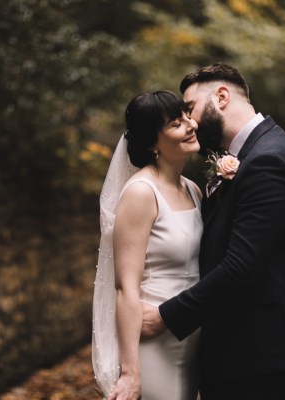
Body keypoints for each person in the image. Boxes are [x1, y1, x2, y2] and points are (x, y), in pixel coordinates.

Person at [141, 62, 285, 400]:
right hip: (241, 350)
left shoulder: (268, 160)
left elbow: (241, 267)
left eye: (189, 109)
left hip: (253, 353)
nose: (189, 122)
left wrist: (164, 317)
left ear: (221, 96)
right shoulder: (255, 153)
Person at [92, 90, 203, 400]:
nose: (190, 125)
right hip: (156, 341)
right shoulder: (141, 193)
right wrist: (130, 372)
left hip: (192, 334)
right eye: (175, 123)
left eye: (186, 116)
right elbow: (125, 287)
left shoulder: (193, 190)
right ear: (153, 142)